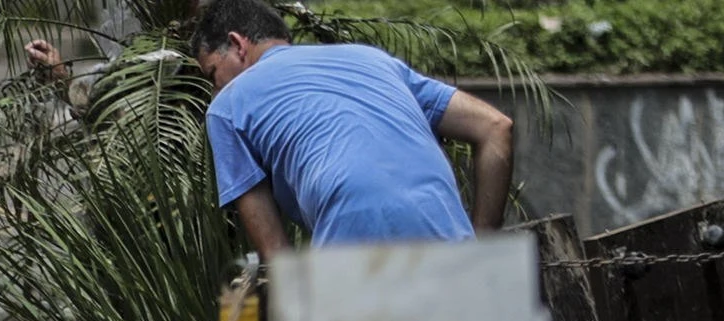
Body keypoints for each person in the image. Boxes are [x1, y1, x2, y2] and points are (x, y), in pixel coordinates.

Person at [192, 0, 515, 262]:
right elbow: (494, 126)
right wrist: (482, 243)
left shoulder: (227, 106)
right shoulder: (372, 60)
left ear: (237, 44)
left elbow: (276, 255)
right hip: (449, 241)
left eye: (213, 74)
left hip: (352, 257)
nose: (216, 89)